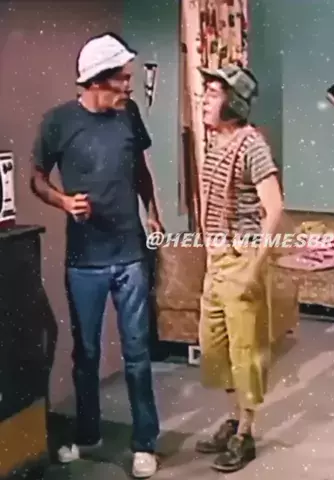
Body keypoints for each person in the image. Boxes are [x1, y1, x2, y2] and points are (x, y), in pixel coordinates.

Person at [30, 32, 163, 478]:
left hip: (130, 254)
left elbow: (141, 170)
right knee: (85, 354)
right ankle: (88, 434)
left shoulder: (129, 115)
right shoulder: (58, 122)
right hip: (84, 260)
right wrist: (63, 202)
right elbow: (36, 178)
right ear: (96, 81)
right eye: (122, 78)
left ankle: (145, 442)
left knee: (137, 353)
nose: (128, 86)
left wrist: (154, 214)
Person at [194, 64, 284, 472]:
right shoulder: (216, 143)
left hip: (243, 257)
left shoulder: (252, 146)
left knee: (245, 352)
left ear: (234, 103)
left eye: (214, 94)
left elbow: (274, 208)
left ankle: (245, 434)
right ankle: (234, 418)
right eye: (207, 92)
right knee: (216, 347)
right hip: (217, 262)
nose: (205, 100)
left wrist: (254, 268)